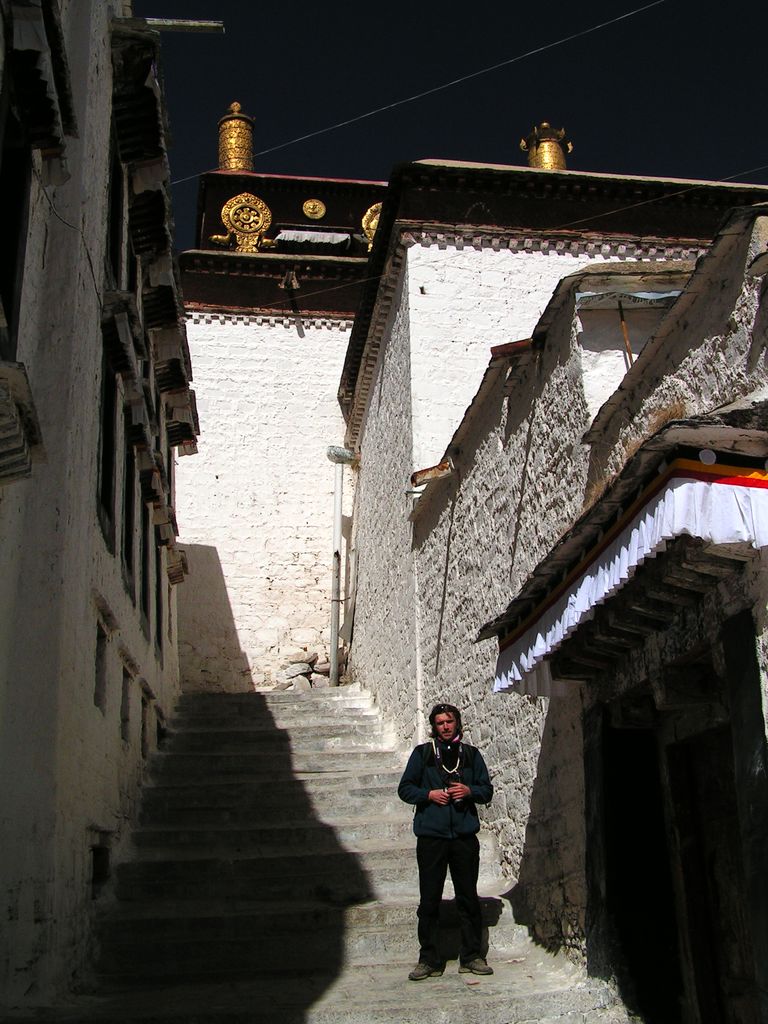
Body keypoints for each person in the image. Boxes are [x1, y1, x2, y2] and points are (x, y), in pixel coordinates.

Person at [397, 702, 494, 981]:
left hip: (463, 836)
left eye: (449, 721)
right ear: (434, 726)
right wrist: (428, 795)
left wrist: (469, 790)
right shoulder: (423, 754)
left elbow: (486, 790)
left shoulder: (472, 755)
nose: (445, 726)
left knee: (468, 897)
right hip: (432, 837)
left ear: (457, 723)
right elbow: (405, 789)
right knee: (429, 899)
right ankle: (428, 958)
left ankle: (472, 955)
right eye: (440, 723)